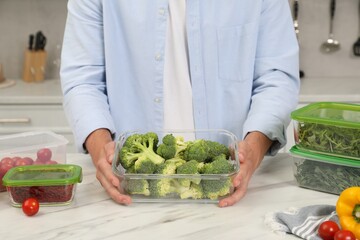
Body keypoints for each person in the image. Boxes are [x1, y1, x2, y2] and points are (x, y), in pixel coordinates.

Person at [60, 0, 300, 207]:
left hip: (229, 189)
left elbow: (276, 78)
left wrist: (253, 149)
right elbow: (82, 80)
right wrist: (100, 146)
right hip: (130, 189)